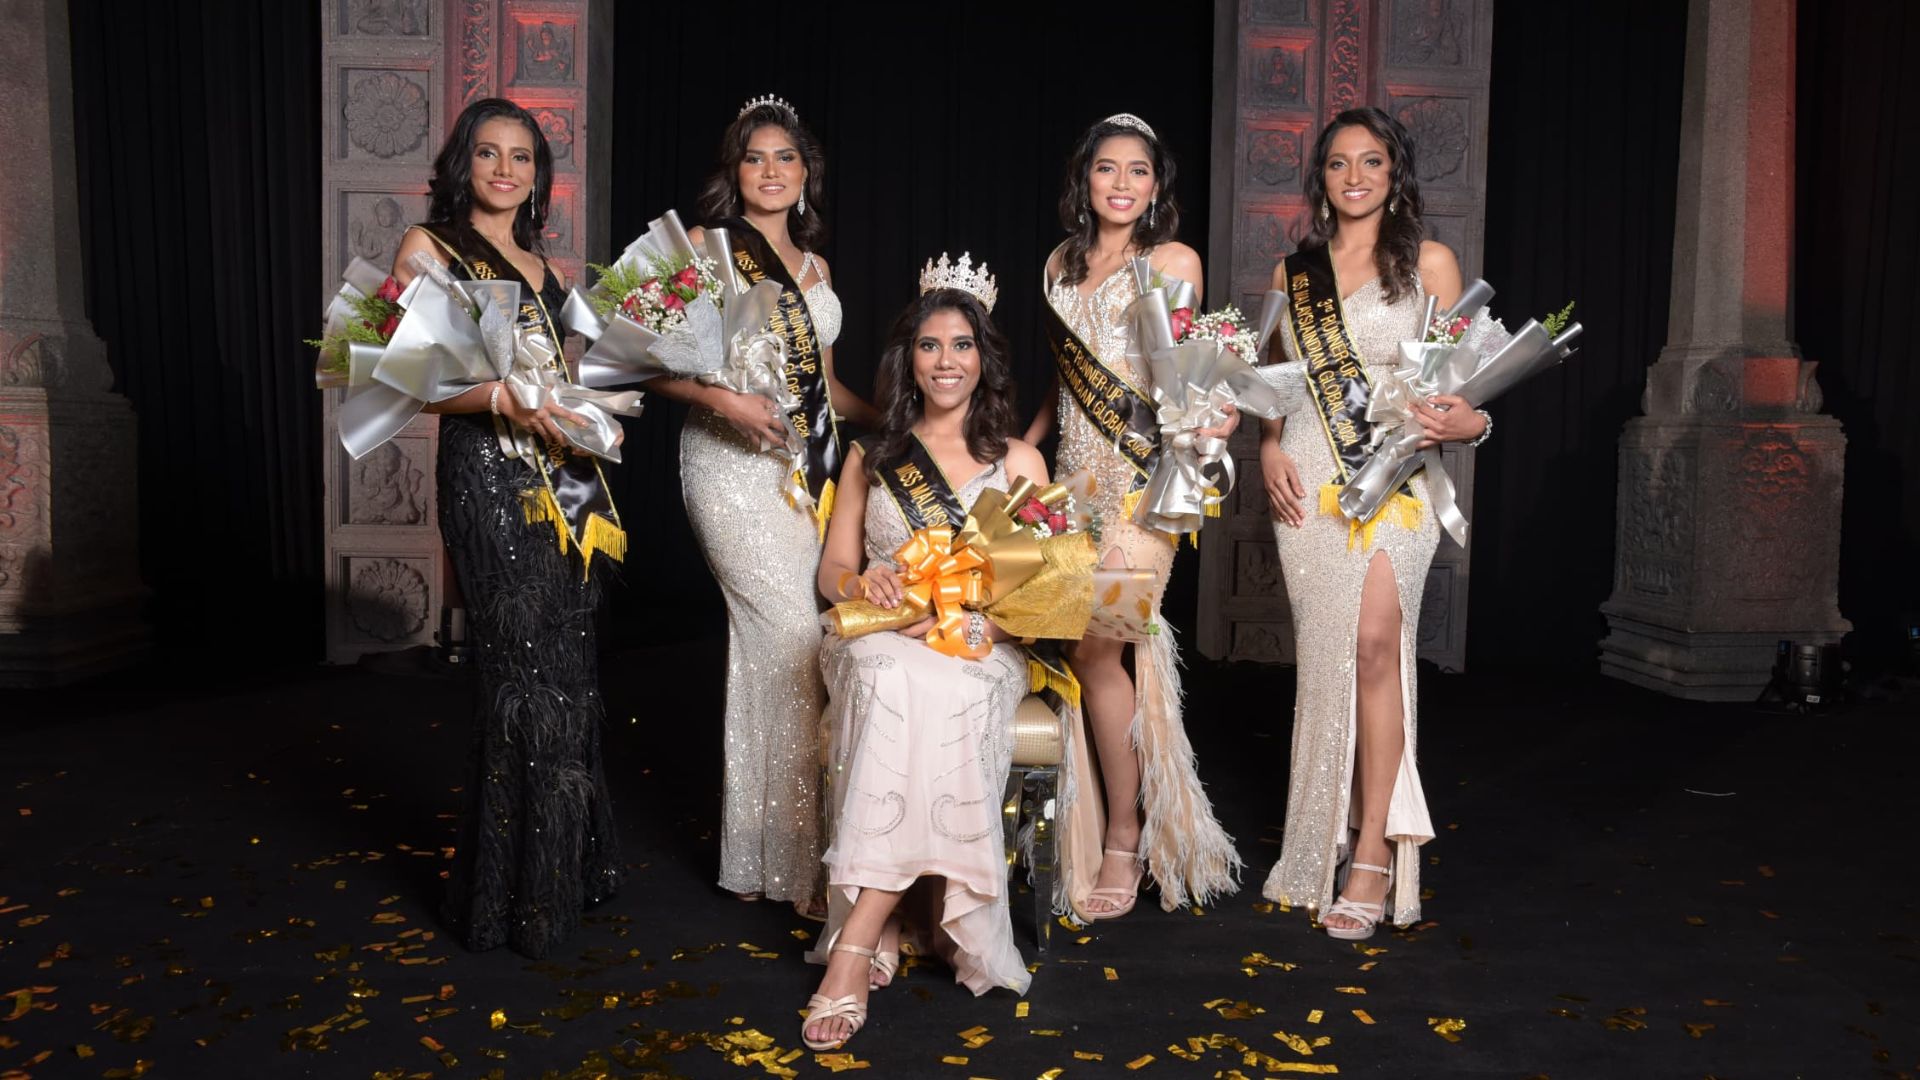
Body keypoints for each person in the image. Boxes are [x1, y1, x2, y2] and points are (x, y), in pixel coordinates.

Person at [388, 97, 624, 959]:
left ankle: (564, 872)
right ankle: (510, 897)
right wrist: (501, 397)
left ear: (537, 175)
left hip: (562, 480)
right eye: (488, 153)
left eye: (521, 157)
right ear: (464, 163)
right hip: (487, 478)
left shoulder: (544, 265)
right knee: (521, 678)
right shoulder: (428, 248)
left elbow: (563, 379)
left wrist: (596, 413)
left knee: (570, 671)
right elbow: (407, 383)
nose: (504, 170)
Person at [1256, 106, 1490, 940]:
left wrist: (1472, 423)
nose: (1354, 177)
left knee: (1376, 647)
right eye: (1338, 163)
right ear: (1320, 178)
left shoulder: (1431, 263)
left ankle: (1373, 854)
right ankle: (1325, 838)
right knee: (1330, 661)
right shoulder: (1294, 274)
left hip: (1392, 478)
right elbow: (1276, 381)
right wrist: (1267, 446)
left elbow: (1467, 390)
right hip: (1308, 479)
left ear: (1396, 174)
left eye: (1372, 162)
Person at [801, 256, 1047, 1049]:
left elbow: (1042, 596)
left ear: (984, 358)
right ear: (909, 358)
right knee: (891, 677)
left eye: (962, 345)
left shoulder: (1020, 462)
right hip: (876, 636)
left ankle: (859, 937)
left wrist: (975, 629)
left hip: (977, 643)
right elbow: (832, 572)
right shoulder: (873, 455)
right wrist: (861, 583)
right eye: (930, 345)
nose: (946, 361)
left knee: (946, 686)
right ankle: (907, 914)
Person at [640, 96, 877, 915]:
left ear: (806, 172)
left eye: (785, 157)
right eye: (754, 157)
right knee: (786, 636)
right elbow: (639, 362)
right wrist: (724, 401)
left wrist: (898, 420)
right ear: (733, 171)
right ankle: (792, 860)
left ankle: (764, 853)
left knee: (792, 645)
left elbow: (830, 390)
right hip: (728, 469)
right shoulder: (705, 253)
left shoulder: (817, 269)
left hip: (802, 477)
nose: (771, 171)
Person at [1024, 114, 1240, 921]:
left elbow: (1185, 372)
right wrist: (1024, 447)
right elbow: (1064, 380)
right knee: (1079, 651)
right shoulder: (1060, 263)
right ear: (1084, 179)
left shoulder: (1173, 261)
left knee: (1098, 643)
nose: (1121, 184)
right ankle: (1099, 819)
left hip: (1143, 489)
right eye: (1106, 168)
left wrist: (1217, 416)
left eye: (1138, 171)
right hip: (1073, 484)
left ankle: (1125, 834)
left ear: (1157, 186)